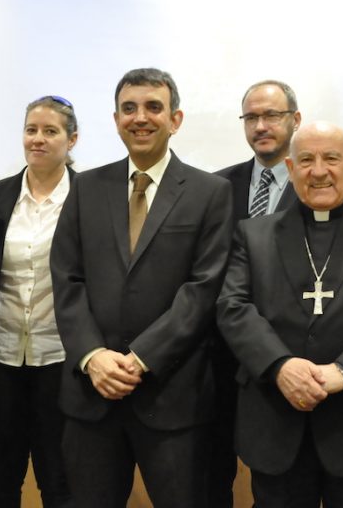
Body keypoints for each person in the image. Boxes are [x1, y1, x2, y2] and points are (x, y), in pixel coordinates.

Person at [50, 68, 233, 508]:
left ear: (175, 119)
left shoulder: (210, 192)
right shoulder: (86, 188)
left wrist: (141, 358)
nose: (140, 118)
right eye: (129, 108)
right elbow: (67, 279)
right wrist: (93, 356)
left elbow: (203, 289)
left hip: (173, 397)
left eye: (154, 107)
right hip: (92, 394)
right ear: (116, 120)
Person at [217, 121, 343, 507]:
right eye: (307, 160)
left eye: (331, 158)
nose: (319, 171)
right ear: (291, 168)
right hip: (276, 423)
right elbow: (233, 307)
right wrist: (280, 366)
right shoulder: (253, 234)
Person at [0, 96, 78, 507]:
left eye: (50, 131)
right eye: (31, 130)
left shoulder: (90, 198)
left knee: (60, 480)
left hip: (62, 362)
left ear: (72, 140)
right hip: (0, 361)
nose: (38, 139)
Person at [209, 80, 301, 507]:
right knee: (212, 476)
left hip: (285, 356)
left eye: (272, 116)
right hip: (220, 358)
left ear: (295, 120)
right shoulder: (216, 187)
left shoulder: (315, 182)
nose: (261, 126)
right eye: (251, 117)